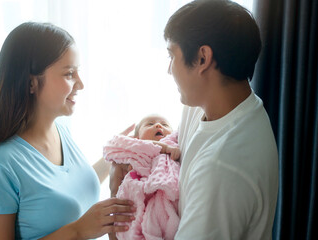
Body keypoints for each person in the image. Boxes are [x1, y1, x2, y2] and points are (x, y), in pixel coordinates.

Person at [110, 0, 279, 239]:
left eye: (172, 55)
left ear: (202, 58)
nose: (169, 70)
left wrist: (115, 194)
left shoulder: (223, 167)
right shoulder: (204, 107)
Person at [0, 22, 136, 240]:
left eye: (78, 72)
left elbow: (67, 188)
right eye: (69, 74)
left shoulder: (60, 132)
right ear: (31, 83)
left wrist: (117, 155)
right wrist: (78, 230)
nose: (80, 84)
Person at [104, 114, 180, 240]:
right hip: (136, 190)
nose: (158, 125)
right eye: (150, 124)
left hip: (159, 197)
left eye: (165, 124)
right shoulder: (137, 147)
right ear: (137, 137)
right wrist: (165, 148)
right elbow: (144, 145)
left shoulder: (174, 145)